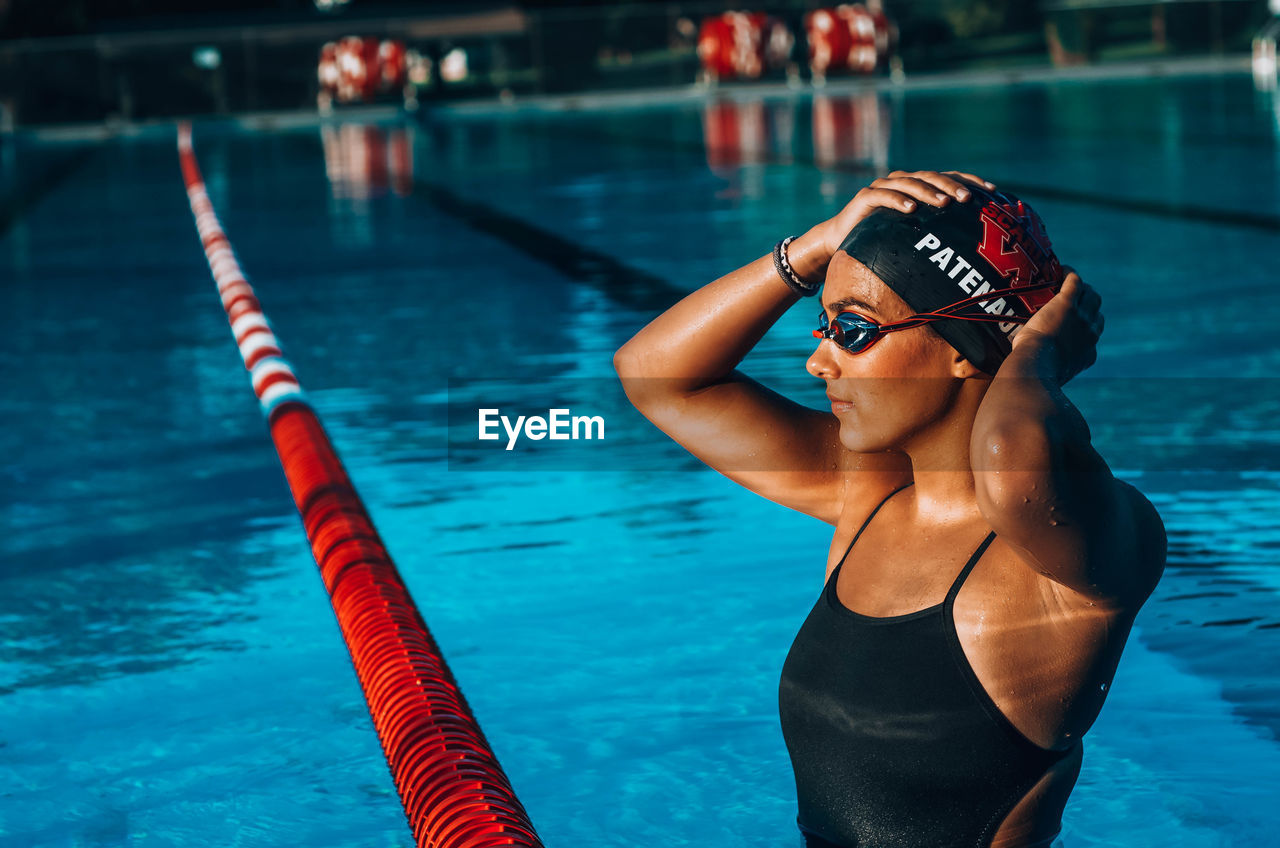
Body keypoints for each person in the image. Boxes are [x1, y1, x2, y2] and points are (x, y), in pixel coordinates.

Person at [612, 170, 1167, 848]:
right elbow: (658, 376)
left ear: (966, 349)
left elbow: (1007, 460)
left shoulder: (1082, 551)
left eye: (852, 329)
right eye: (826, 325)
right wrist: (811, 251)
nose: (818, 362)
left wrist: (1037, 357)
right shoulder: (870, 495)